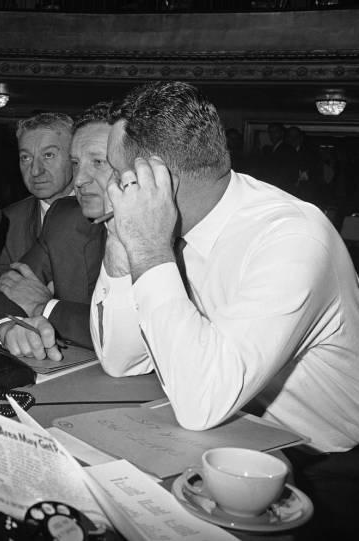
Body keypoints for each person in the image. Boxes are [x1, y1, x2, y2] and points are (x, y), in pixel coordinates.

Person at [91, 81, 359, 540]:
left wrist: (152, 252)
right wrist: (124, 251)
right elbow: (122, 360)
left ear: (155, 179)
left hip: (328, 469)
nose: (109, 187)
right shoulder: (166, 226)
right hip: (229, 441)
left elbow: (201, 402)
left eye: (117, 173)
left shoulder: (292, 239)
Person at [0, 103, 114, 356]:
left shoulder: (169, 227)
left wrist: (45, 306)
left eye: (98, 161)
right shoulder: (64, 218)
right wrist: (7, 328)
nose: (81, 178)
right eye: (25, 158)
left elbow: (126, 334)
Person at [0, 112, 74, 276]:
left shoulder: (106, 214)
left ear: (73, 157)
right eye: (25, 157)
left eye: (48, 155)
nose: (35, 170)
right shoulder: (6, 222)